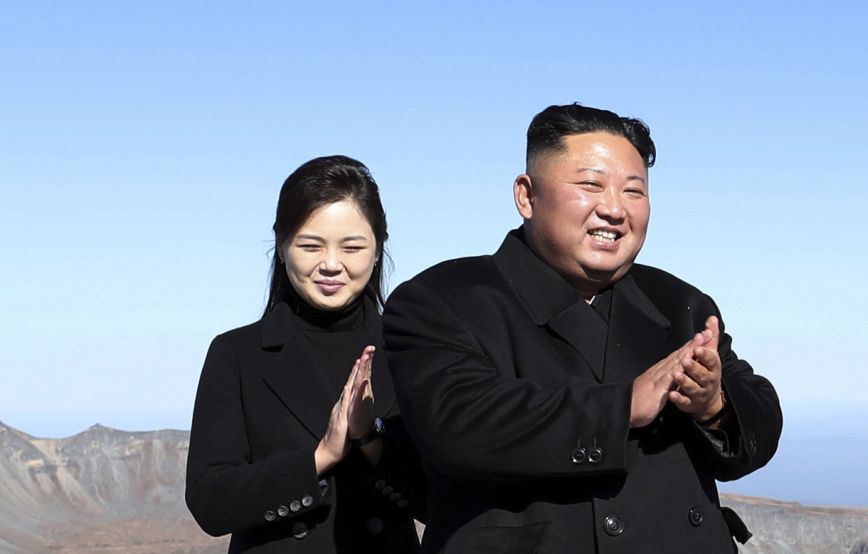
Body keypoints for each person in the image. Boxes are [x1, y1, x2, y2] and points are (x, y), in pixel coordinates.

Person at [382, 104, 782, 553]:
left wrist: (714, 407)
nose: (613, 208)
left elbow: (761, 420)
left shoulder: (677, 303)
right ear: (526, 196)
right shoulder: (442, 298)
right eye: (591, 185)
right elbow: (458, 426)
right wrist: (623, 407)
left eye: (634, 191)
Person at [186, 156, 423, 553]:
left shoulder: (411, 350)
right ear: (281, 248)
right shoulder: (237, 354)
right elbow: (210, 501)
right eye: (310, 246)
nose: (331, 264)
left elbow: (442, 497)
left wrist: (370, 437)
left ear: (378, 250)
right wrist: (319, 458)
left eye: (352, 247)